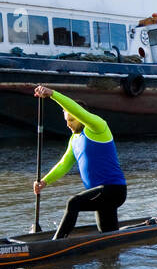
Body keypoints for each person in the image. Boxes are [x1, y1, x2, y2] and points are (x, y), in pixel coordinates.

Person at [32, 85, 127, 238]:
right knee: (108, 236)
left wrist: (52, 94)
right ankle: (115, 253)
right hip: (99, 194)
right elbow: (64, 164)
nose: (68, 124)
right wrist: (44, 181)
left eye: (72, 120)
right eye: (66, 120)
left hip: (113, 190)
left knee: (73, 202)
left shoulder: (98, 127)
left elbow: (78, 111)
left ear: (82, 117)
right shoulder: (74, 139)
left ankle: (57, 242)